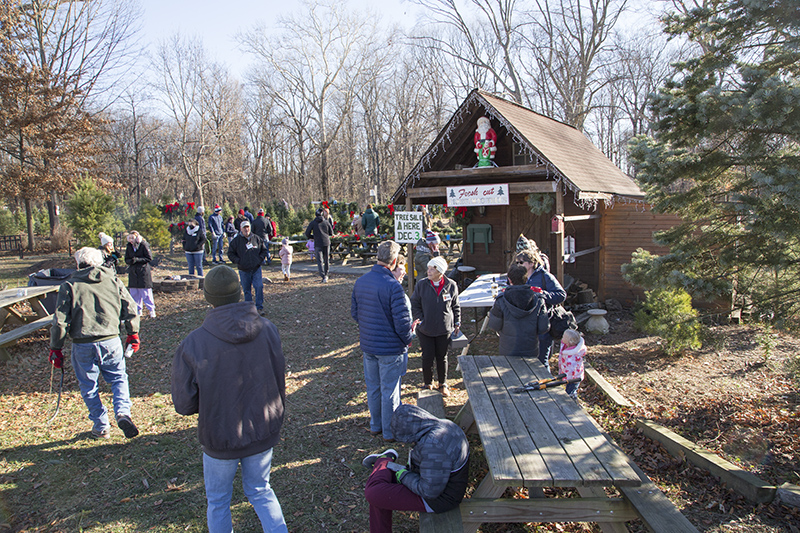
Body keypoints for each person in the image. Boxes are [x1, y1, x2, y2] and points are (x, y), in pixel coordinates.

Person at [171, 266, 288, 533]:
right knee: (261, 489)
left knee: (219, 501)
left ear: (207, 297)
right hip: (262, 427)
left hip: (219, 434)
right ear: (239, 292)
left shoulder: (194, 343)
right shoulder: (269, 329)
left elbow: (184, 403)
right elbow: (279, 376)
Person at [49, 247, 141, 439]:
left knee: (88, 385)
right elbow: (131, 308)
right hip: (111, 341)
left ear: (77, 264)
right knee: (118, 378)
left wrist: (56, 348)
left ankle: (101, 425)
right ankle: (123, 412)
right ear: (99, 262)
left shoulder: (69, 285)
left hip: (83, 343)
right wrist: (133, 333)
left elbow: (60, 321)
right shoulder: (113, 280)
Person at [362, 404, 469, 533]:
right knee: (380, 493)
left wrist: (403, 475)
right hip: (436, 482)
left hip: (440, 499)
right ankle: (385, 461)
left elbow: (429, 491)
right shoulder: (442, 425)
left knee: (373, 493)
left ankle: (384, 461)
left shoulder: (434, 446)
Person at [351, 240, 413, 442]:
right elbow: (402, 325)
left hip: (369, 345)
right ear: (394, 261)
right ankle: (389, 431)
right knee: (390, 390)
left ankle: (375, 425)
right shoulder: (393, 287)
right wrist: (408, 338)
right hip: (390, 348)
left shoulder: (361, 281)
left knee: (374, 388)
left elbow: (355, 313)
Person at [410, 256, 460, 397]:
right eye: (428, 268)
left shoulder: (451, 285)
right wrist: (420, 320)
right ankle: (427, 383)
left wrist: (457, 322)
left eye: (432, 269)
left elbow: (456, 306)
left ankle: (442, 384)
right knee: (427, 356)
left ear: (441, 271)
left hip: (444, 329)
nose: (428, 271)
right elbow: (414, 303)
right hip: (425, 329)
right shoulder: (422, 284)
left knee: (442, 357)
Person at [516, 249, 566, 369]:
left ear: (531, 263)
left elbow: (561, 295)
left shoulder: (545, 276)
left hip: (543, 325)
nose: (518, 265)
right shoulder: (520, 277)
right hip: (526, 327)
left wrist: (542, 294)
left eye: (521, 262)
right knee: (527, 363)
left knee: (541, 362)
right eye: (517, 263)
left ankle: (547, 386)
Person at [487, 264, 549, 358]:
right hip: (530, 349)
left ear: (509, 279)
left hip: (508, 349)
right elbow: (543, 327)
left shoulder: (501, 300)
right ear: (526, 278)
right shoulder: (538, 300)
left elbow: (494, 325)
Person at [228, 219, 268, 316]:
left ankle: (259, 307)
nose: (246, 229)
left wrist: (260, 259)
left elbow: (264, 250)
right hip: (243, 269)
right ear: (241, 229)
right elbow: (230, 253)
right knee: (247, 290)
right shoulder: (236, 241)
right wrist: (238, 261)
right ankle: (249, 309)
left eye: (248, 227)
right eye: (244, 228)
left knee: (259, 286)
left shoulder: (257, 239)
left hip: (256, 268)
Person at [124, 230, 156, 318]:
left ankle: (151, 310)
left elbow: (149, 258)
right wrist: (130, 261)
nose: (130, 240)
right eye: (129, 238)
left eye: (132, 238)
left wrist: (137, 260)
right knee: (134, 293)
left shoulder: (143, 245)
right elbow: (126, 258)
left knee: (146, 293)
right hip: (133, 272)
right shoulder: (129, 246)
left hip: (143, 271)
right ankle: (138, 310)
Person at [304, 207, 334, 283]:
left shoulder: (313, 223)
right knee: (326, 259)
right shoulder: (326, 222)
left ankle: (323, 275)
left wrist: (313, 237)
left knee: (320, 260)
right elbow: (331, 233)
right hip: (326, 242)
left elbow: (307, 233)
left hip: (318, 242)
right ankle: (326, 274)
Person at [559, 329, 586, 399]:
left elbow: (571, 369)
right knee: (569, 390)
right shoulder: (567, 346)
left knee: (570, 393)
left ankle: (572, 402)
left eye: (564, 337)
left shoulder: (572, 356)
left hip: (574, 378)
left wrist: (566, 377)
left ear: (569, 342)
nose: (562, 337)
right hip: (569, 375)